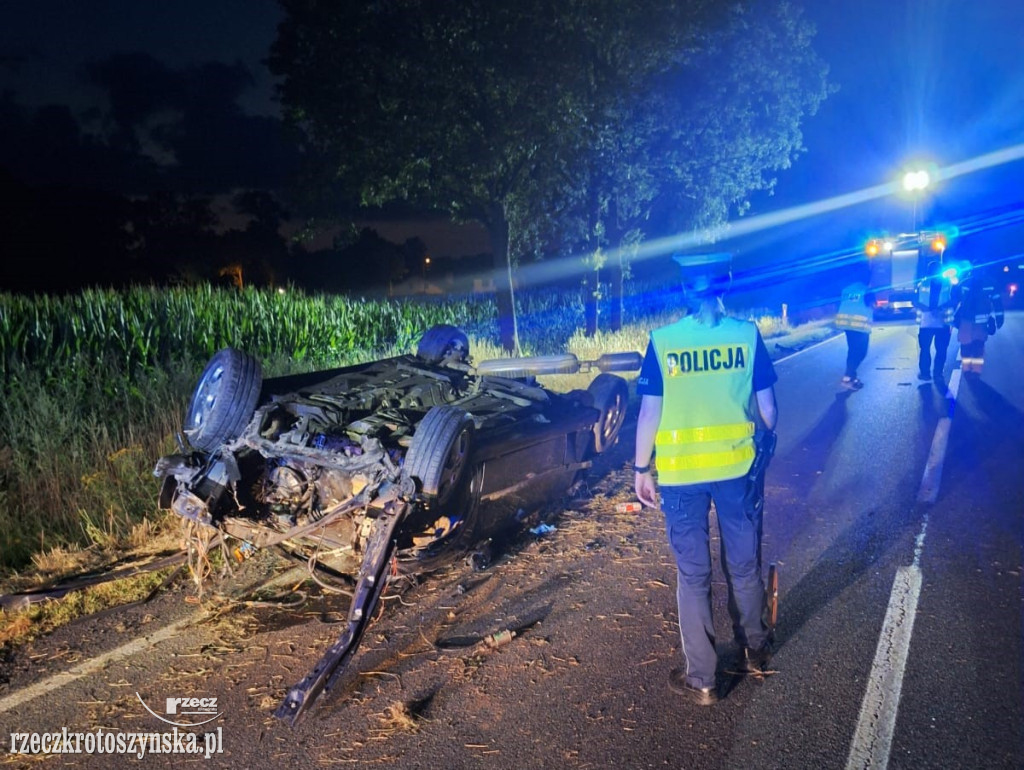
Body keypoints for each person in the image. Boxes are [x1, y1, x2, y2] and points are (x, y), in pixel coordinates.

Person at [633, 252, 778, 706]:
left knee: (693, 575)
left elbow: (649, 412)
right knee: (743, 565)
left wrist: (641, 469)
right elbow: (769, 412)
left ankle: (704, 681)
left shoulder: (663, 341)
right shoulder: (747, 336)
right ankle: (755, 651)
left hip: (680, 478)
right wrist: (761, 452)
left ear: (682, 291)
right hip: (737, 473)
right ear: (725, 286)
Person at [954, 263, 1005, 377]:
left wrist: (953, 319)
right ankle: (975, 371)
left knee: (968, 347)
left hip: (967, 321)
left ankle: (968, 370)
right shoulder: (991, 283)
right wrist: (999, 318)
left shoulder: (964, 283)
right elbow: (997, 303)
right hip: (979, 323)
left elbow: (955, 300)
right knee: (977, 347)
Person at [913, 261, 956, 382]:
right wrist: (941, 308)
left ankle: (926, 373)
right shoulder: (948, 284)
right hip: (941, 322)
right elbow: (955, 299)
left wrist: (925, 308)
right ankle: (937, 373)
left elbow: (914, 301)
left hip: (927, 323)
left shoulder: (922, 284)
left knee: (926, 349)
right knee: (940, 349)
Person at [834, 268, 873, 389]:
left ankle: (852, 377)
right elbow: (871, 304)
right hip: (860, 326)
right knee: (861, 352)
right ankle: (847, 377)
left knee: (852, 351)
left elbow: (839, 303)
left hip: (846, 324)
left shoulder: (846, 289)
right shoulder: (867, 290)